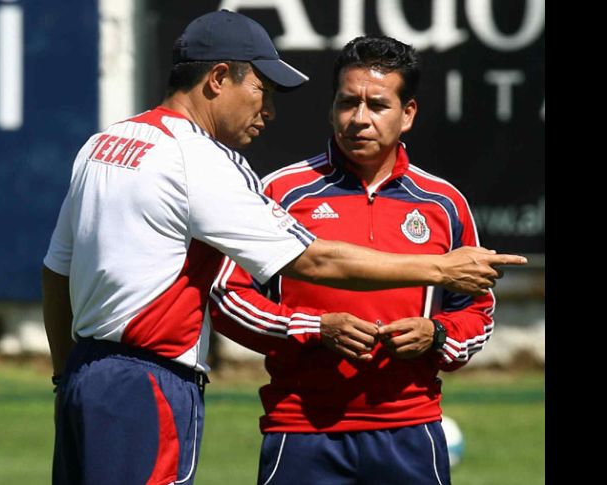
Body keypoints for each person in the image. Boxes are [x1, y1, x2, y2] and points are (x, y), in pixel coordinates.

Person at [42, 11, 525, 485]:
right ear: (218, 78)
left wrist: (68, 376)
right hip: (157, 385)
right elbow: (312, 260)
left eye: (376, 105)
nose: (267, 110)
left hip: (88, 374)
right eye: (261, 90)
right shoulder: (203, 161)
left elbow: (56, 272)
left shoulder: (106, 142)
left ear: (408, 113)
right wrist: (436, 270)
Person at [208, 35, 496, 485]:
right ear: (331, 108)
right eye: (347, 103)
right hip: (301, 430)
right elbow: (228, 296)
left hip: (410, 430)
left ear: (408, 115)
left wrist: (436, 334)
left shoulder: (444, 204)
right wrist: (315, 329)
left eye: (377, 105)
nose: (359, 119)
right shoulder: (281, 192)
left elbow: (476, 312)